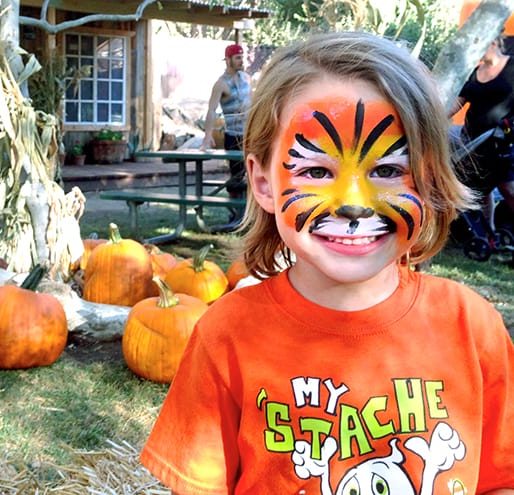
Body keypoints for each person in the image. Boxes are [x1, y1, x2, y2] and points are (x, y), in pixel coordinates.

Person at [140, 32, 514, 494]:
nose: (354, 204)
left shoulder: (472, 329)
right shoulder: (226, 337)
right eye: (316, 171)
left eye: (388, 170)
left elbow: (502, 479)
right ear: (263, 183)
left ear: (431, 178)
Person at [449, 34, 514, 232]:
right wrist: (428, 119)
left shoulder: (511, 67)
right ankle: (489, 232)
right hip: (473, 141)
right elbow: (456, 105)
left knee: (508, 188)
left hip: (503, 141)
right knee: (480, 190)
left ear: (492, 42)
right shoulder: (475, 72)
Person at [201, 43, 251, 200]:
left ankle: (250, 216)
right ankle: (235, 213)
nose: (241, 61)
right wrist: (207, 136)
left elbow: (253, 101)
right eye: (237, 58)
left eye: (242, 57)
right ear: (228, 60)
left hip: (250, 135)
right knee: (236, 176)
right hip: (234, 136)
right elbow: (211, 110)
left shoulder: (246, 79)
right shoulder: (221, 84)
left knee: (252, 174)